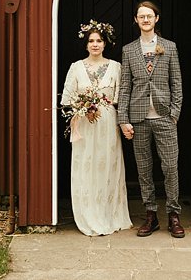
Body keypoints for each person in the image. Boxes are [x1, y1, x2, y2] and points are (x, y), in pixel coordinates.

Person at [119, 0, 185, 238]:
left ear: (156, 19)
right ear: (136, 20)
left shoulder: (169, 47)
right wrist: (123, 119)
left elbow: (176, 83)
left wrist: (174, 114)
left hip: (164, 118)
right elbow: (125, 87)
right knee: (144, 170)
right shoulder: (128, 50)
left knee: (170, 167)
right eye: (141, 16)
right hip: (138, 120)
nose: (145, 20)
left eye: (149, 16)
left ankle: (174, 215)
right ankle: (151, 215)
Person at [60, 20, 132, 236]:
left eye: (99, 40)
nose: (95, 44)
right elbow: (67, 99)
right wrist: (83, 107)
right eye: (91, 40)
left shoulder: (115, 67)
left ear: (105, 43)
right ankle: (88, 214)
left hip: (108, 122)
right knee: (86, 166)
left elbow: (121, 99)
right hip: (85, 123)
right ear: (86, 44)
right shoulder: (76, 67)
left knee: (107, 166)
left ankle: (108, 213)